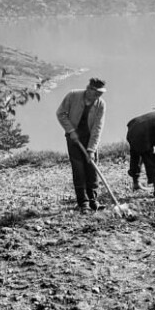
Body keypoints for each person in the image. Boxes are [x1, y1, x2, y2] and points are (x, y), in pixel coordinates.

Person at [55, 77, 107, 212]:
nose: (98, 96)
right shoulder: (73, 95)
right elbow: (61, 113)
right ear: (89, 89)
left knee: (92, 169)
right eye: (96, 93)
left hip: (90, 139)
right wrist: (71, 130)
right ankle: (83, 202)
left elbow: (97, 128)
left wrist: (91, 149)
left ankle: (93, 200)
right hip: (73, 139)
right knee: (79, 170)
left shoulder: (101, 104)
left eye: (100, 93)